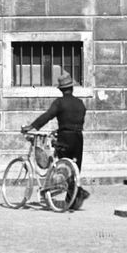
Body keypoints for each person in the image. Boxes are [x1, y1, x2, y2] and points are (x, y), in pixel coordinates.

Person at [28, 68, 89, 208]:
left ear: (61, 90)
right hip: (78, 138)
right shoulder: (80, 103)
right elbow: (77, 121)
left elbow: (47, 116)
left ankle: (75, 193)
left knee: (61, 166)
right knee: (75, 169)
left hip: (65, 138)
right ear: (72, 88)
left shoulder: (59, 103)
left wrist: (32, 126)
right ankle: (72, 199)